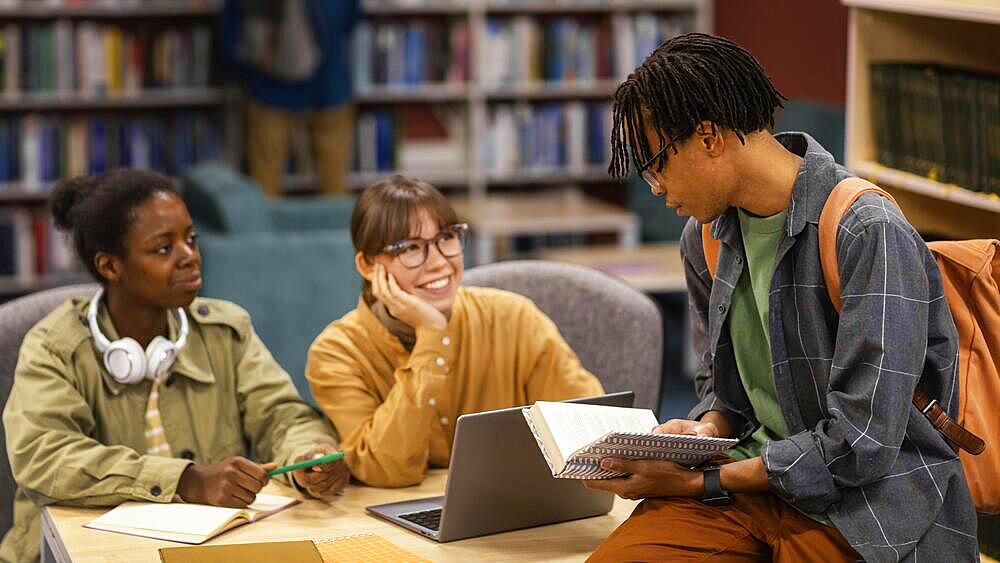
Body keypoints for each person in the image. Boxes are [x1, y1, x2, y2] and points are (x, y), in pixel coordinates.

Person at [582, 33, 977, 562]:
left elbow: (862, 444)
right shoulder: (704, 236)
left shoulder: (866, 230)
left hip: (869, 505)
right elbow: (725, 390)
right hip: (747, 487)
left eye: (656, 163)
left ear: (708, 137)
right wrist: (703, 431)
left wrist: (704, 482)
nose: (653, 187)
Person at [0, 170, 349, 563]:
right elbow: (44, 457)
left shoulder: (225, 330)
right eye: (164, 248)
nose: (190, 256)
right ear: (110, 266)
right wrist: (187, 480)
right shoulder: (54, 347)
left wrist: (306, 457)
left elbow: (283, 415)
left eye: (191, 239)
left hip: (208, 550)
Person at [305, 175, 605, 487]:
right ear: (368, 266)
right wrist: (432, 337)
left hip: (515, 507)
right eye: (411, 248)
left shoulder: (515, 317)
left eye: (446, 238)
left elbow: (588, 428)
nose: (438, 263)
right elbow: (385, 470)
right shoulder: (336, 352)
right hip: (395, 520)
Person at [220, 0, 360, 196]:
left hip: (268, 88)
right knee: (335, 187)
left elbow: (230, 36)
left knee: (263, 188)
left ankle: (262, 227)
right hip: (327, 85)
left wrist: (247, 72)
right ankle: (337, 225)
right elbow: (350, 20)